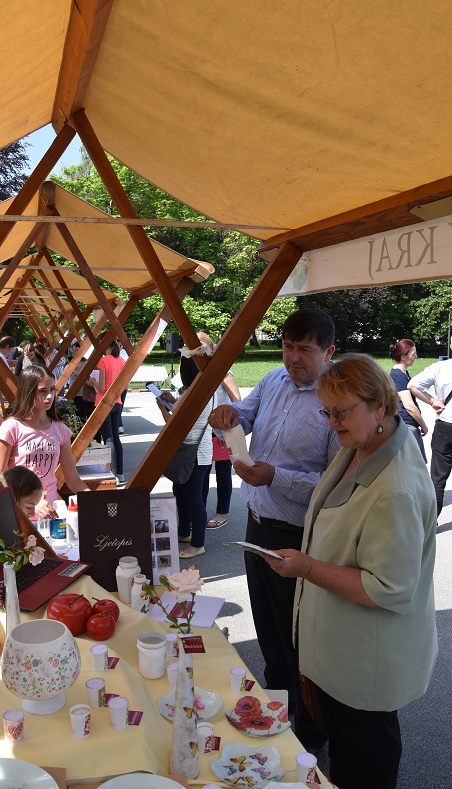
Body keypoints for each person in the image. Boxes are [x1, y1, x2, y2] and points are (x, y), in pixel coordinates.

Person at [262, 354, 437, 789]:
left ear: (380, 405)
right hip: (342, 653)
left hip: (367, 662)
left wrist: (306, 567)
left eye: (340, 412)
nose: (330, 422)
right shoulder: (361, 446)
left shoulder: (395, 488)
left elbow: (389, 588)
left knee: (367, 755)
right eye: (327, 411)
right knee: (346, 747)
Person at [209, 308, 338, 750]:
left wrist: (275, 477)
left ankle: (311, 734)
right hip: (258, 523)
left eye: (305, 349)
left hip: (300, 537)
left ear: (328, 351)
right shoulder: (272, 380)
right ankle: (277, 713)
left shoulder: (337, 397)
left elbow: (335, 485)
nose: (293, 357)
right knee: (267, 626)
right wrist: (229, 416)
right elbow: (245, 415)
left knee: (300, 637)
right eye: (287, 346)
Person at [0, 365, 90, 520]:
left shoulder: (60, 430)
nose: (49, 396)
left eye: (52, 389)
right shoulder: (11, 427)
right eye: (42, 391)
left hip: (51, 518)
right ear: (28, 392)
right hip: (19, 518)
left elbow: (73, 480)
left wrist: (95, 501)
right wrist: (32, 505)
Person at [157, 349, 216, 558]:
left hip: (194, 456)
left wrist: (162, 408)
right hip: (196, 453)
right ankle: (184, 532)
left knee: (193, 499)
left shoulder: (195, 394)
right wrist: (172, 401)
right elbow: (183, 412)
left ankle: (198, 543)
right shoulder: (198, 390)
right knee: (181, 493)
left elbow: (176, 427)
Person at [196, 332, 242, 529]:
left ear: (211, 348)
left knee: (223, 473)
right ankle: (199, 513)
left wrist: (226, 429)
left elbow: (238, 403)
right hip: (203, 432)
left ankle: (222, 513)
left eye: (203, 347)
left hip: (222, 432)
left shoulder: (224, 372)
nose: (200, 352)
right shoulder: (196, 372)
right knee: (202, 473)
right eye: (196, 349)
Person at [408, 351, 452, 518]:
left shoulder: (440, 368)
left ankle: (431, 522)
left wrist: (433, 401)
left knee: (438, 479)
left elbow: (413, 385)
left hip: (446, 426)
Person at [89, 340, 126, 483]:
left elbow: (102, 387)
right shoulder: (121, 360)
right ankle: (120, 472)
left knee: (108, 438)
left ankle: (113, 472)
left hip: (104, 403)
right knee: (116, 438)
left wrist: (93, 381)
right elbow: (125, 385)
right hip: (117, 401)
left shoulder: (103, 361)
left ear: (108, 347)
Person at [389, 339, 427, 461]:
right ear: (403, 356)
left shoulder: (402, 373)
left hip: (407, 426)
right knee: (416, 464)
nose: (416, 357)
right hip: (407, 426)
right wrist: (424, 425)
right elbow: (409, 407)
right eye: (413, 354)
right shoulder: (398, 375)